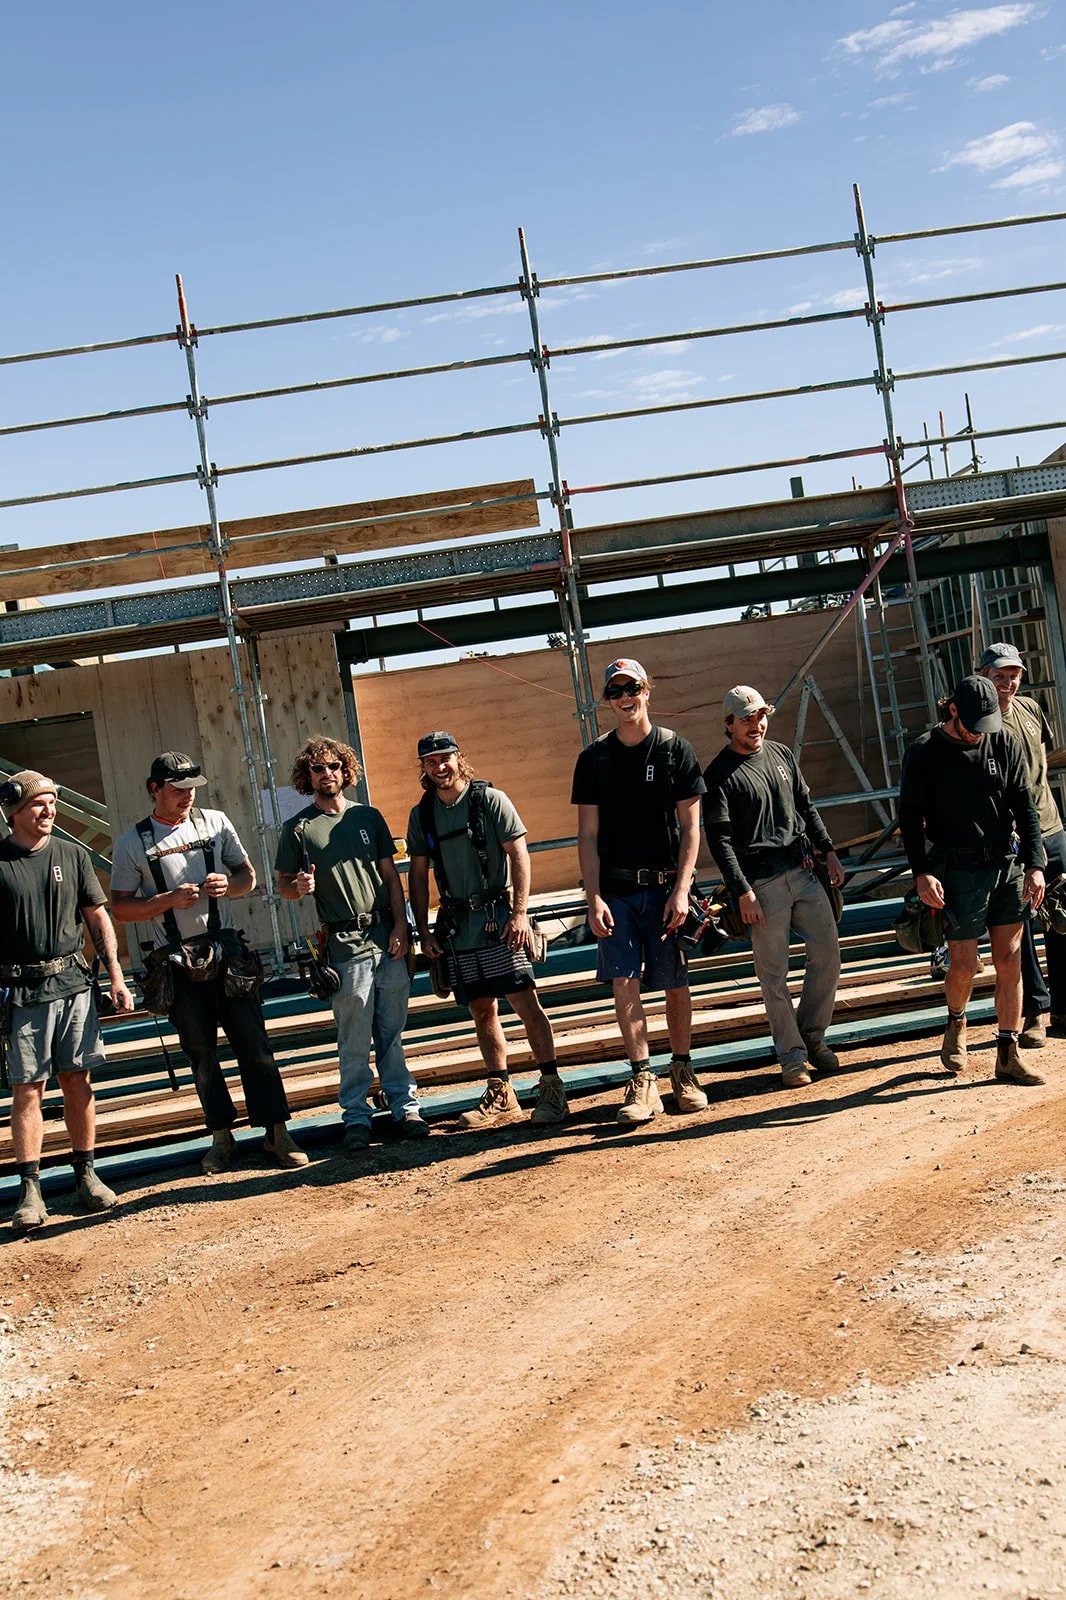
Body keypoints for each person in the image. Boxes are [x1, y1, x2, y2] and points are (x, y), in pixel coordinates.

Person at [110, 752, 309, 1174]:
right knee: (200, 1053)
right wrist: (165, 900)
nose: (187, 797)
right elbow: (121, 909)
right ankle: (222, 1138)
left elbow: (247, 877)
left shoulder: (214, 823)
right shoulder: (132, 843)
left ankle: (277, 1134)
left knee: (255, 1047)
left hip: (227, 953)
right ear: (154, 789)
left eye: (192, 789)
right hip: (175, 961)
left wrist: (228, 885)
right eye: (178, 790)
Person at [275, 735, 428, 1154]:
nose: (328, 774)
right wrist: (297, 887)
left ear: (346, 771)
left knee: (392, 1032)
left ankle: (405, 1107)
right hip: (344, 944)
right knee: (355, 1038)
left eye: (334, 766)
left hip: (386, 938)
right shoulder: (298, 829)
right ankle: (357, 1117)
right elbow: (284, 886)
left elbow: (390, 877)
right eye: (319, 769)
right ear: (308, 777)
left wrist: (402, 926)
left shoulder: (369, 818)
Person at [571, 659, 709, 1123]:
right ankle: (642, 1078)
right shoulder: (595, 759)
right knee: (624, 981)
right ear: (608, 700)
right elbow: (587, 836)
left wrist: (683, 889)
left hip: (665, 888)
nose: (624, 698)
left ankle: (682, 1071)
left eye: (632, 688)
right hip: (616, 892)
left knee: (674, 982)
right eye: (615, 692)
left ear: (647, 690)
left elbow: (691, 827)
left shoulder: (675, 750)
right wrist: (592, 898)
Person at [407, 731, 567, 1130]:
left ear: (459, 758)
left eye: (445, 757)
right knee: (481, 1009)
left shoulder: (489, 800)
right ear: (423, 768)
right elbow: (418, 875)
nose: (440, 766)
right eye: (431, 761)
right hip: (458, 928)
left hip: (500, 917)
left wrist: (520, 913)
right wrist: (424, 931)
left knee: (525, 1002)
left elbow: (519, 854)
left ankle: (551, 1088)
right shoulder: (422, 814)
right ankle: (501, 1093)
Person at [1, 771, 134, 1231]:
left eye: (53, 802)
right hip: (20, 993)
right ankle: (31, 1191)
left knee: (77, 1080)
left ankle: (87, 1175)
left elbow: (97, 916)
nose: (48, 810)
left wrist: (116, 975)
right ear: (13, 811)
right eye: (38, 803)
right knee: (27, 1089)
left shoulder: (73, 854)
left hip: (73, 985)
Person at [898, 674, 1046, 1085]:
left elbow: (1025, 807)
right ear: (953, 711)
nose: (981, 734)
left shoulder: (1004, 741)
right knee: (964, 965)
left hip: (1005, 864)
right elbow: (909, 818)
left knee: (1010, 960)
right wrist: (921, 873)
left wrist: (1035, 864)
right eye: (973, 725)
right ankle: (956, 1022)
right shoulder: (925, 753)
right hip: (956, 869)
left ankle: (1007, 1052)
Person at [702, 686, 845, 1089]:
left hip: (803, 870)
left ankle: (812, 1037)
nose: (756, 725)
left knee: (828, 953)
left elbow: (805, 806)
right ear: (728, 724)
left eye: (760, 716)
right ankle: (793, 1055)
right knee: (773, 975)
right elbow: (721, 842)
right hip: (761, 886)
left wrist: (829, 851)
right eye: (746, 719)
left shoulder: (781, 755)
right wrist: (742, 892)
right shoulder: (718, 776)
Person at [977, 641, 1066, 1048]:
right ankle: (1034, 1011)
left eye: (1013, 674)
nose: (1007, 682)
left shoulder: (1030, 710)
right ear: (984, 676)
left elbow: (1039, 768)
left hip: (1051, 829)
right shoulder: (981, 723)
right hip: (1013, 842)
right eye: (999, 675)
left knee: (1062, 919)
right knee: (1020, 929)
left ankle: (1063, 1009)